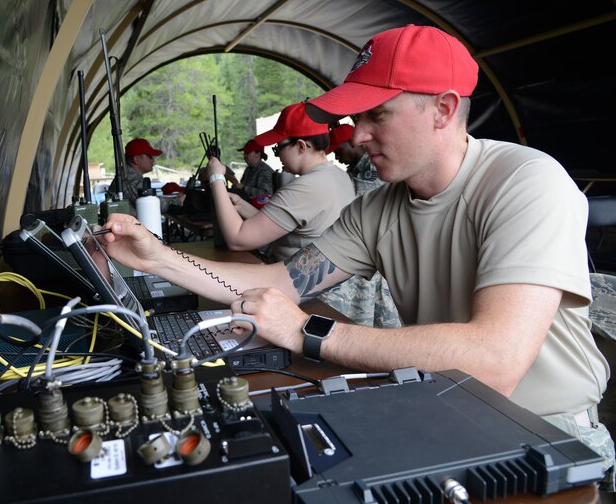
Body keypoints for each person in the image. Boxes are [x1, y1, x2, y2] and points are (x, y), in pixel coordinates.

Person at [99, 24, 614, 483]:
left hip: (546, 430)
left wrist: (307, 331)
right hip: (446, 405)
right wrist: (159, 259)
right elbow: (281, 283)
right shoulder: (382, 205)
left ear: (444, 109)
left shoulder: (526, 182)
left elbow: (496, 362)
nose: (358, 135)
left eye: (377, 115)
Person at [205, 102, 355, 261]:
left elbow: (237, 240)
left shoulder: (305, 188)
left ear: (301, 146)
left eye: (278, 149)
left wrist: (216, 178)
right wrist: (240, 205)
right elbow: (278, 223)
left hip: (296, 281)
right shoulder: (339, 176)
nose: (277, 156)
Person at [318, 123, 401, 328]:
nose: (337, 157)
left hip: (375, 255)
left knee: (378, 324)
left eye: (339, 150)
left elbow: (357, 209)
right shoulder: (354, 169)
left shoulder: (372, 170)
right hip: (369, 253)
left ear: (353, 144)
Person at [107, 138, 184, 215]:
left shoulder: (127, 176)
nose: (153, 160)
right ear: (136, 159)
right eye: (150, 156)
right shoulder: (129, 179)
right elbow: (153, 204)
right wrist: (178, 200)